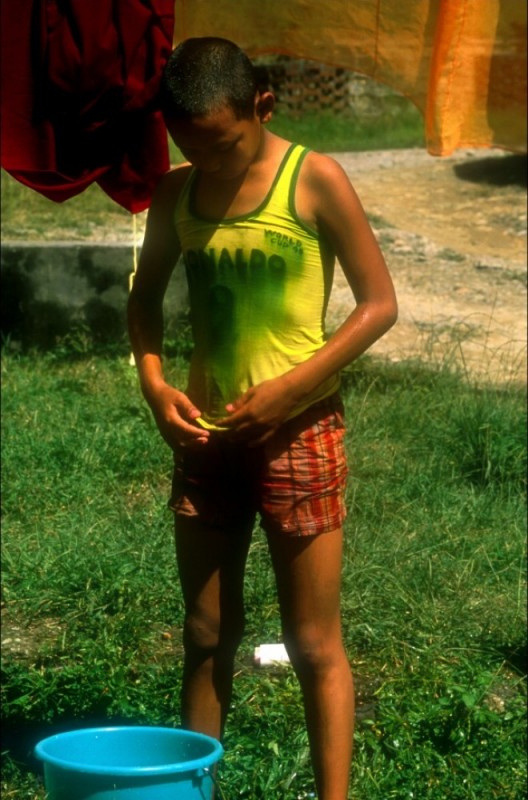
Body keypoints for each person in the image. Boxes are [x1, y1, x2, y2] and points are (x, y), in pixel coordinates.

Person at [128, 37, 397, 800]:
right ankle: (193, 788)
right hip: (206, 436)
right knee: (206, 632)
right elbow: (145, 300)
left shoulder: (314, 179)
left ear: (264, 107)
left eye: (224, 144)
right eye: (191, 147)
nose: (208, 161)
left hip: (300, 432)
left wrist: (291, 389)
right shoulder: (176, 193)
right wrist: (155, 385)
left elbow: (379, 305)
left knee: (312, 643)